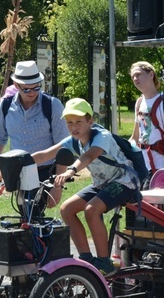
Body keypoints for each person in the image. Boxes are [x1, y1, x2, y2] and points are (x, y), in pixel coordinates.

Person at [31, 98, 139, 276]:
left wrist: (70, 171)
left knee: (91, 209)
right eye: (69, 122)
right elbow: (44, 155)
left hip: (124, 181)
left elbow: (89, 156)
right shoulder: (73, 141)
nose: (74, 127)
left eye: (79, 122)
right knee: (66, 209)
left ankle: (105, 263)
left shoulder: (101, 136)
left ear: (91, 121)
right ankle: (87, 260)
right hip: (103, 184)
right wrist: (15, 164)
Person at [0, 61, 68, 205]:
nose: (32, 92)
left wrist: (58, 185)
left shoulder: (52, 105)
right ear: (16, 85)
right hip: (17, 172)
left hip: (46, 172)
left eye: (36, 87)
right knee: (24, 216)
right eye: (26, 89)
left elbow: (63, 147)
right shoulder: (5, 106)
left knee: (35, 216)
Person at [129, 61, 164, 176]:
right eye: (133, 77)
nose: (135, 79)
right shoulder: (139, 102)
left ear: (151, 75)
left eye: (138, 74)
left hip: (163, 166)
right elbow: (135, 137)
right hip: (143, 166)